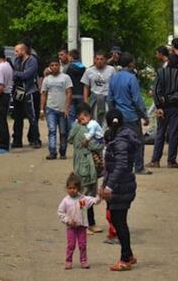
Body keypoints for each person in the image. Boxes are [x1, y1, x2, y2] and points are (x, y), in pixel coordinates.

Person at [101, 109, 138, 271]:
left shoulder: (120, 141)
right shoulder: (117, 138)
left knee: (120, 222)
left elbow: (121, 165)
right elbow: (109, 167)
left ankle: (125, 259)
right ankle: (128, 254)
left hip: (121, 187)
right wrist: (104, 184)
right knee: (117, 220)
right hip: (120, 186)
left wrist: (109, 186)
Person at [108, 52, 151, 175]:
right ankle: (139, 167)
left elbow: (110, 98)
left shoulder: (114, 77)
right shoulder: (132, 78)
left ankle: (121, 165)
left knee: (120, 141)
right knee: (137, 141)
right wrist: (144, 115)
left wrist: (112, 113)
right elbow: (137, 100)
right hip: (131, 116)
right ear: (131, 63)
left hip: (118, 116)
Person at [68, 103, 104, 235]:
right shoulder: (84, 131)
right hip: (86, 167)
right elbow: (97, 146)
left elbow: (70, 139)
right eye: (85, 115)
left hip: (82, 165)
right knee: (85, 197)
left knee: (86, 197)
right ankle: (84, 224)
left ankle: (90, 223)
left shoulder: (76, 128)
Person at [146, 54, 178, 169]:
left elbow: (155, 91)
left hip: (162, 108)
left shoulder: (160, 73)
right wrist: (170, 98)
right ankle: (171, 161)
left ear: (168, 61)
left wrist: (159, 104)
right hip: (176, 108)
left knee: (160, 133)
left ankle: (155, 160)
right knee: (174, 134)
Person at [57, 173, 101, 270]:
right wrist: (67, 220)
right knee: (71, 245)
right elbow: (60, 213)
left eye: (74, 188)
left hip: (81, 227)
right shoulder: (65, 201)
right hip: (71, 228)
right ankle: (68, 261)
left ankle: (83, 260)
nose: (72, 190)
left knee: (82, 245)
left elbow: (95, 201)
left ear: (79, 189)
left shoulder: (83, 199)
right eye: (70, 188)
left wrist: (99, 195)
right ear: (67, 188)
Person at [40, 57, 72, 160]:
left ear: (59, 66)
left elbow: (69, 93)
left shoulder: (65, 78)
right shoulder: (47, 79)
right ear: (49, 67)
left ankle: (62, 152)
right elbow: (44, 94)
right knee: (52, 130)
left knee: (63, 132)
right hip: (50, 109)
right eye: (52, 66)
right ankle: (52, 151)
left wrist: (67, 108)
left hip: (62, 109)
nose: (54, 67)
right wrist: (42, 109)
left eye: (56, 65)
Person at [12, 44, 41, 149]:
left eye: (17, 51)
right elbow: (14, 74)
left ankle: (35, 139)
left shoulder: (32, 61)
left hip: (29, 91)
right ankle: (17, 140)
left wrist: (16, 73)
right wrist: (17, 74)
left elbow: (27, 74)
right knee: (17, 116)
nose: (15, 53)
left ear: (23, 50)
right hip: (18, 90)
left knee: (32, 116)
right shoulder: (17, 61)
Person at [81, 51, 115, 127]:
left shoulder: (111, 70)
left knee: (106, 120)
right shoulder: (89, 71)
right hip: (94, 99)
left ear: (105, 60)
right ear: (94, 60)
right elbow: (86, 87)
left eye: (101, 59)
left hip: (107, 98)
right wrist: (86, 101)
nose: (99, 61)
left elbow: (114, 85)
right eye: (97, 59)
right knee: (94, 120)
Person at [0, 46, 14, 154]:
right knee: (2, 120)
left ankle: (3, 145)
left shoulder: (1, 67)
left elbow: (0, 86)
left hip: (2, 95)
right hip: (7, 94)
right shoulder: (7, 65)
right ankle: (4, 144)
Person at [65, 49, 86, 129]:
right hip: (81, 95)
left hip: (71, 95)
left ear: (70, 57)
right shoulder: (84, 68)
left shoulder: (68, 68)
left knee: (71, 116)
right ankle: (81, 132)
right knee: (81, 115)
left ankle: (73, 134)